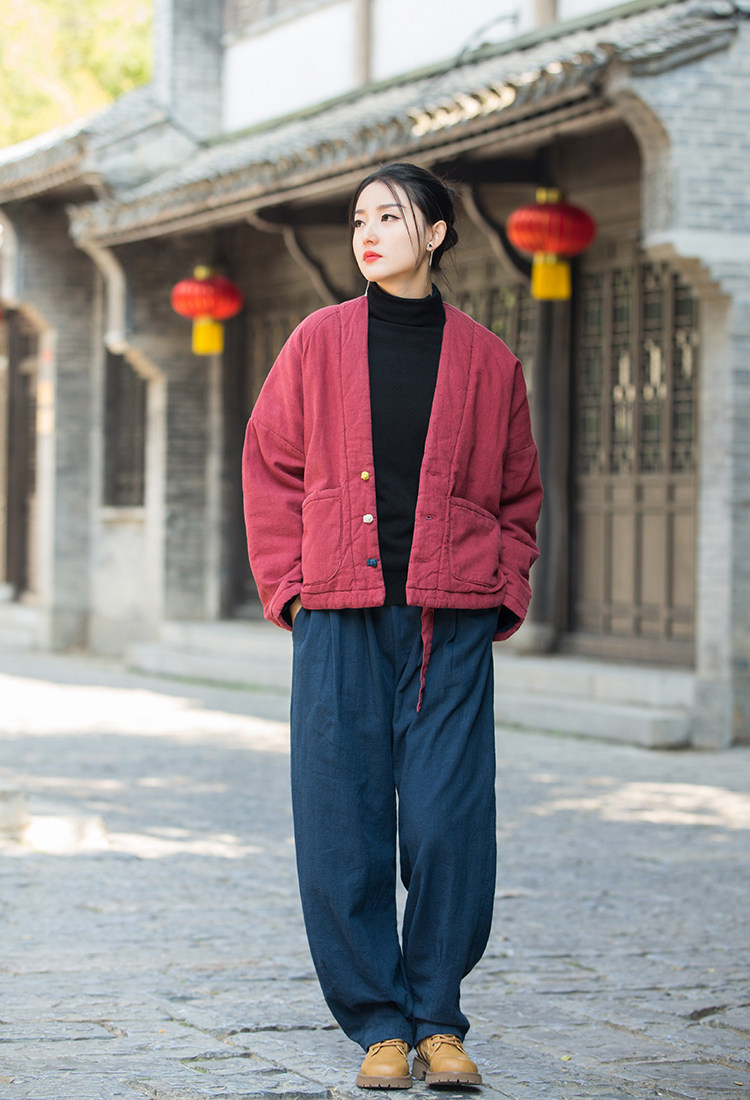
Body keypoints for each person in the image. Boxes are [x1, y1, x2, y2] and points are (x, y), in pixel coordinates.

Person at [242, 162, 542, 1090]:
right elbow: (270, 468)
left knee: (452, 822)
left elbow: (520, 492)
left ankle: (439, 1018)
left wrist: (503, 588)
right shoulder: (316, 341)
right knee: (343, 824)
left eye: (390, 216)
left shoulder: (489, 360)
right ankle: (378, 1024)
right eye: (358, 219)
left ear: (437, 233)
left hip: (449, 618)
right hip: (338, 613)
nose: (368, 234)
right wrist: (293, 591)